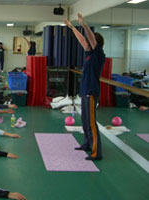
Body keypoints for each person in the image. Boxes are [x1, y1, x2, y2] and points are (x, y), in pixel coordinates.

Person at [64, 13, 105, 161]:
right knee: (85, 120)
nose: (86, 42)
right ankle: (87, 144)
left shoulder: (98, 54)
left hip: (92, 92)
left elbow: (91, 39)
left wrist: (84, 24)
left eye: (89, 41)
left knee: (92, 123)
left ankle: (96, 152)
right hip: (85, 91)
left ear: (95, 44)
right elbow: (82, 39)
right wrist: (71, 27)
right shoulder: (88, 53)